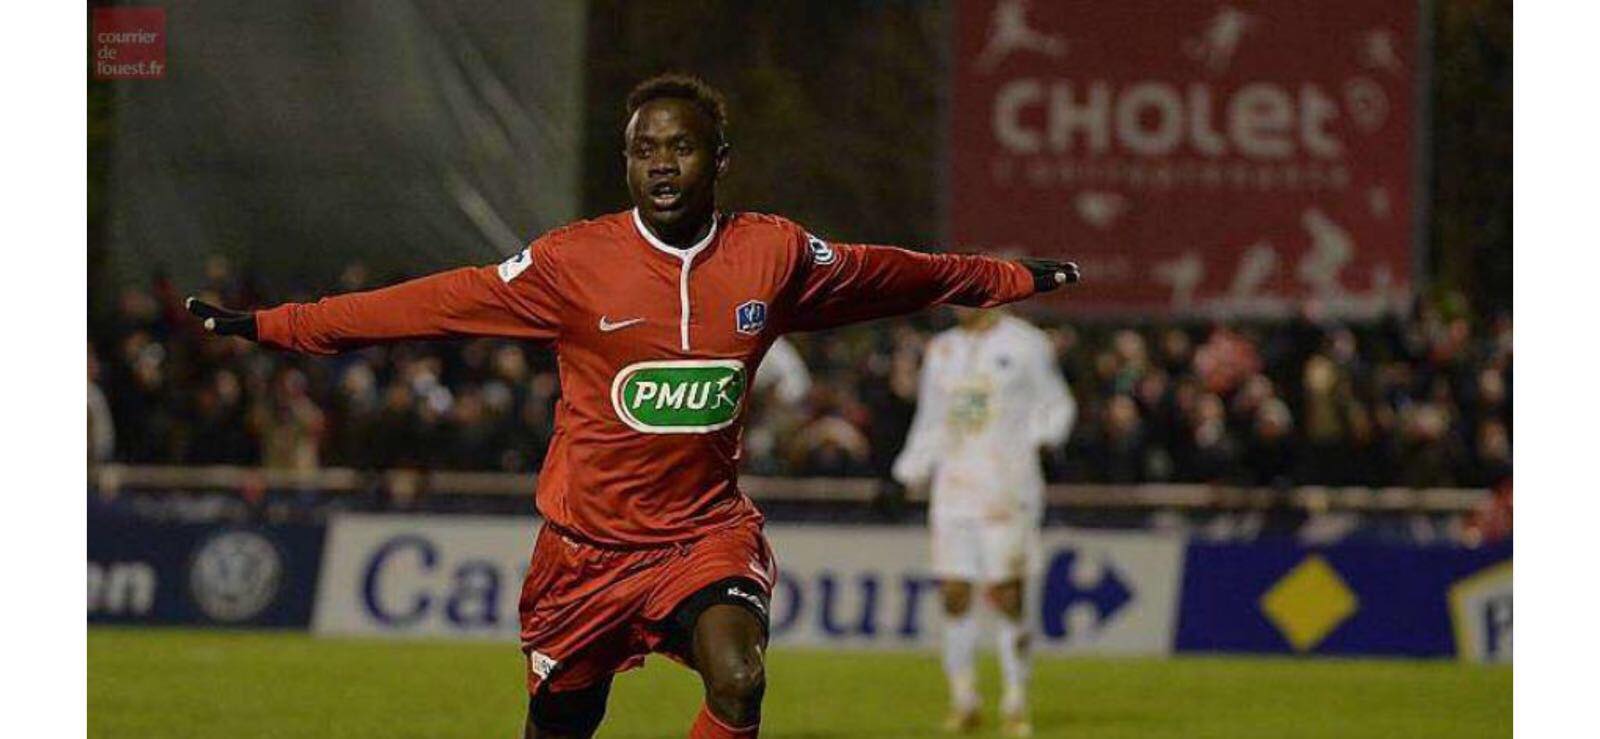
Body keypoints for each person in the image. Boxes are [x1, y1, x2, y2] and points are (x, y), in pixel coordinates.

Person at [186, 73, 1078, 739]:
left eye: (680, 146)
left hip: (703, 536)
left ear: (718, 159)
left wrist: (1012, 277)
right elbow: (428, 302)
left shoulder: (770, 254)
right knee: (562, 725)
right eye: (644, 149)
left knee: (740, 675)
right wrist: (279, 326)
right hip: (584, 551)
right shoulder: (574, 264)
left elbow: (899, 275)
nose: (660, 163)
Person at [892, 307, 1076, 737]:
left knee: (1006, 593)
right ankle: (964, 699)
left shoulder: (1027, 343)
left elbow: (1057, 402)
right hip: (953, 488)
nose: (960, 302)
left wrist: (1046, 440)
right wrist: (906, 473)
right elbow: (932, 421)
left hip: (1007, 487)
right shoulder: (943, 349)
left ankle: (1015, 700)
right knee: (954, 593)